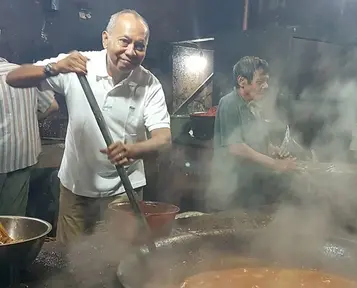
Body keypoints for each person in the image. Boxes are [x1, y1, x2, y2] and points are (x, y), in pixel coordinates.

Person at [6, 9, 171, 243]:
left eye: (140, 45)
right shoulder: (78, 66)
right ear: (106, 39)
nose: (131, 51)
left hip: (124, 192)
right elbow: (14, 78)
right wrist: (55, 67)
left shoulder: (149, 84)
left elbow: (163, 138)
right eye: (124, 41)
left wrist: (134, 150)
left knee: (122, 258)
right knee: (70, 262)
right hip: (76, 189)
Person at [209, 56, 296, 210]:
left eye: (267, 81)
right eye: (261, 81)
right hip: (232, 186)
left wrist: (273, 150)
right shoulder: (229, 103)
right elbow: (236, 147)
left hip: (251, 183)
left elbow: (259, 138)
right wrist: (275, 164)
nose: (266, 86)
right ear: (242, 81)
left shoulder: (254, 105)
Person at [0, 57, 58, 216]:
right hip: (23, 154)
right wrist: (30, 119)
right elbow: (52, 106)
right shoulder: (25, 73)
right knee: (13, 215)